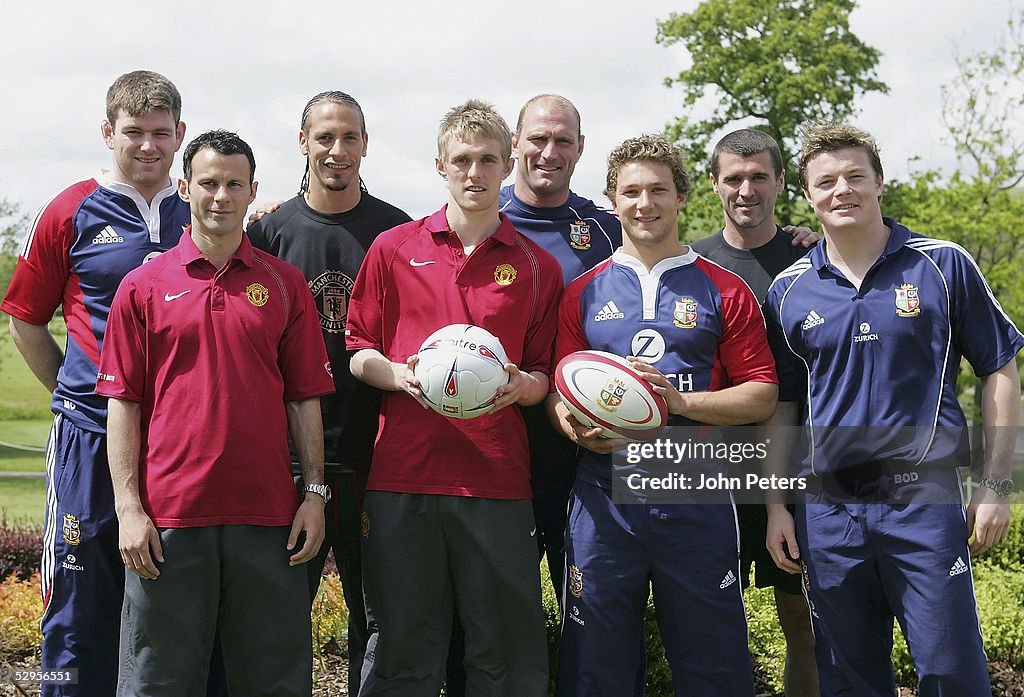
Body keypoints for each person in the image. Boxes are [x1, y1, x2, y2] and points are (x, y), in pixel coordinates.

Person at [763, 122, 1022, 695]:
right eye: (825, 181)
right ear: (808, 195)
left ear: (880, 182)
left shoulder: (943, 265)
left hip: (921, 498)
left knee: (952, 671)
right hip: (827, 509)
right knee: (849, 676)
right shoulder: (786, 291)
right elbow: (783, 407)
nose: (842, 190)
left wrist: (995, 484)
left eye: (855, 176)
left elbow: (999, 368)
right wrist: (777, 506)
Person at [96, 130, 334, 696]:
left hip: (268, 518)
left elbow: (304, 398)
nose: (221, 196)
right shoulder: (143, 287)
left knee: (273, 681)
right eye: (208, 183)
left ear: (253, 193)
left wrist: (315, 494)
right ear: (185, 189)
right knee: (159, 682)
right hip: (170, 518)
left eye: (234, 184)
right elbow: (123, 405)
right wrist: (128, 507)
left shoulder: (285, 285)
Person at [549, 134, 779, 696]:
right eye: (630, 192)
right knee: (595, 663)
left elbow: (762, 394)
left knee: (714, 663)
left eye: (658, 190)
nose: (644, 203)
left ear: (681, 197)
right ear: (612, 199)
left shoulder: (727, 289)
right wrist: (571, 424)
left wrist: (678, 403)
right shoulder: (581, 292)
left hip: (694, 490)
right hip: (604, 494)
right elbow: (560, 390)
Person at [346, 99, 562, 697]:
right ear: (440, 165)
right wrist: (398, 376)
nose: (475, 172)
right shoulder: (393, 249)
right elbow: (359, 348)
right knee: (400, 646)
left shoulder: (536, 264)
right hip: (402, 479)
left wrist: (525, 386)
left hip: (495, 480)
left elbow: (545, 372)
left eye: (488, 159)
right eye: (462, 160)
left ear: (508, 163)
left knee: (504, 649)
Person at [0, 70, 189, 697]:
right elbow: (25, 321)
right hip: (85, 440)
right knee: (80, 607)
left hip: (178, 444)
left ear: (180, 135)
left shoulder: (201, 207)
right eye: (133, 132)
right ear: (108, 133)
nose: (147, 146)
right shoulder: (69, 208)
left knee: (172, 605)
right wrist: (79, 396)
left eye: (161, 133)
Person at [246, 90, 410, 696]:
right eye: (324, 137)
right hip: (290, 462)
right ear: (303, 143)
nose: (337, 151)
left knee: (381, 621)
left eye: (349, 138)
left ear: (365, 144)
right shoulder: (268, 233)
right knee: (280, 618)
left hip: (379, 457)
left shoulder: (397, 233)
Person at [689, 128, 819, 697]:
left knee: (807, 629)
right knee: (708, 631)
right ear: (714, 184)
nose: (747, 189)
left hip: (796, 463)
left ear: (781, 182)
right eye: (734, 178)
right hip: (706, 470)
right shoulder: (690, 264)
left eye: (759, 176)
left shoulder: (812, 257)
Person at [498, 94, 621, 602]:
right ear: (515, 144)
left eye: (563, 140)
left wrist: (795, 242)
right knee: (500, 602)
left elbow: (679, 261)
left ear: (581, 148)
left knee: (590, 600)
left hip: (583, 446)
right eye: (538, 138)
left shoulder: (608, 230)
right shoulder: (482, 214)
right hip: (500, 441)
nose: (550, 152)